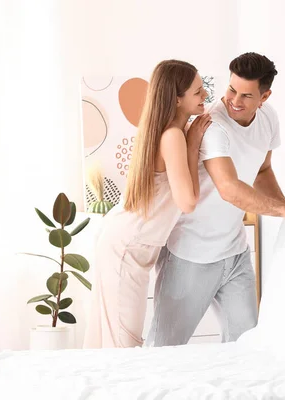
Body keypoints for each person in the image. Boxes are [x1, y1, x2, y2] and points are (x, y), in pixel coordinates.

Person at [145, 52, 285, 347]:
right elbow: (228, 188)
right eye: (231, 89)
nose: (234, 101)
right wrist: (283, 211)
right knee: (163, 348)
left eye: (246, 95)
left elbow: (262, 169)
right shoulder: (213, 126)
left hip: (235, 254)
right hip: (191, 256)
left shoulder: (268, 118)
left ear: (264, 96)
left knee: (248, 347)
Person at [83, 59, 212, 348]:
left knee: (113, 337)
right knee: (123, 341)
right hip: (126, 247)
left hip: (124, 239)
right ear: (177, 99)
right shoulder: (173, 136)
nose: (205, 96)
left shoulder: (165, 131)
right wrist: (192, 145)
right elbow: (187, 201)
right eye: (198, 91)